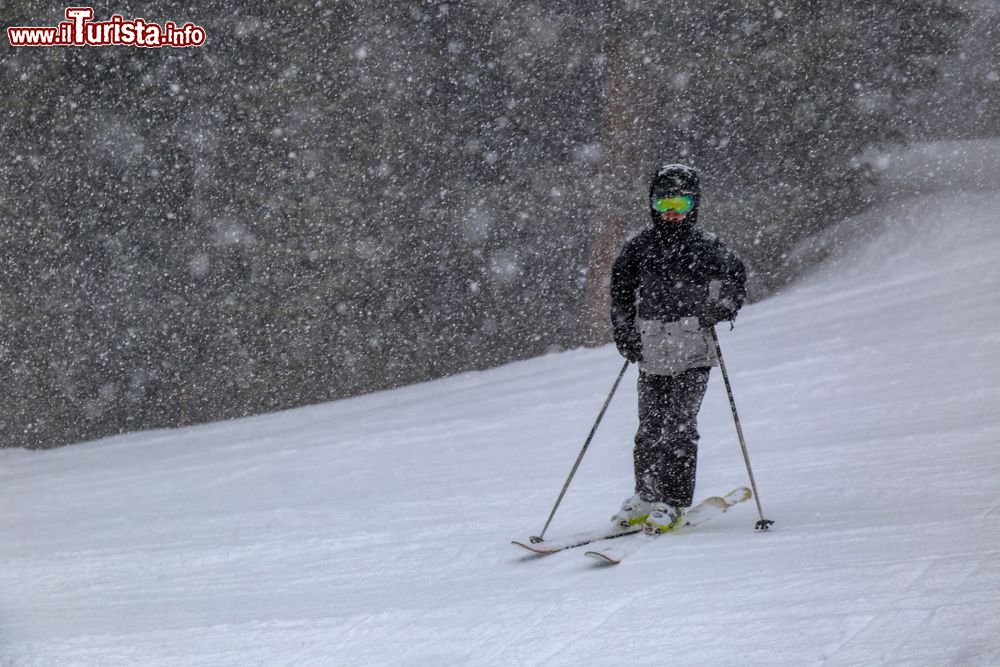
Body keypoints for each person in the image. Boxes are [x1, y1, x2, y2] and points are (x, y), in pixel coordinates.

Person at [608, 163, 747, 535]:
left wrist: (720, 309)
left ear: (694, 205)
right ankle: (646, 495)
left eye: (680, 204)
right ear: (652, 204)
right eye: (663, 203)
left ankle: (673, 501)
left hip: (693, 349)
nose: (671, 213)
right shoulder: (640, 247)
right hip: (651, 348)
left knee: (680, 427)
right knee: (649, 427)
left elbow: (736, 279)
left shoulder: (706, 246)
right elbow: (620, 292)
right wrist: (625, 333)